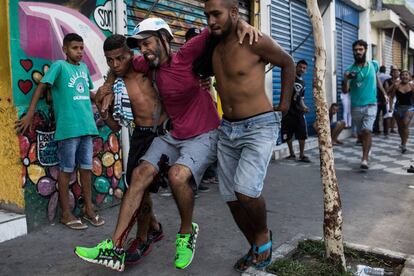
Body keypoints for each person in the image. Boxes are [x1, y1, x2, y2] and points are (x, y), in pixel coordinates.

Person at [74, 17, 259, 271]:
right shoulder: (146, 63)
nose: (144, 51)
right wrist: (106, 85)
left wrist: (243, 25)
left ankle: (186, 232)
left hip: (204, 133)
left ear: (164, 38)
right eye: (140, 46)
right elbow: (120, 66)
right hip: (173, 134)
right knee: (139, 176)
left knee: (177, 176)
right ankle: (114, 247)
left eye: (147, 43)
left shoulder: (186, 54)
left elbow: (219, 25)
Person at [205, 0, 295, 271]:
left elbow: (287, 62)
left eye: (216, 14)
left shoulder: (254, 40)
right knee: (231, 198)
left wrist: (285, 104)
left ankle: (264, 237)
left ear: (233, 12)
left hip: (259, 126)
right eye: (207, 15)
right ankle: (255, 245)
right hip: (227, 129)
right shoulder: (212, 45)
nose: (211, 21)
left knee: (245, 191)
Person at [16, 33, 104, 230]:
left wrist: (99, 98)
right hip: (69, 128)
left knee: (86, 170)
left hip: (87, 127)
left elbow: (84, 92)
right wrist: (30, 114)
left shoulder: (83, 68)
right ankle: (65, 214)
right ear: (65, 49)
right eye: (75, 48)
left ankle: (89, 210)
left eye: (81, 48)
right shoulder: (59, 66)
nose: (79, 52)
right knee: (66, 170)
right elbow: (41, 87)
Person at [95, 34, 167, 264]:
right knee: (138, 189)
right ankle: (148, 232)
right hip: (141, 136)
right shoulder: (116, 83)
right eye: (110, 60)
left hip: (166, 132)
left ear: (131, 53)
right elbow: (116, 126)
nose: (115, 64)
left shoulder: (147, 67)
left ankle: (147, 233)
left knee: (148, 187)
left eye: (120, 58)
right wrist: (102, 110)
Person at [343, 39, 388, 170]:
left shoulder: (373, 65)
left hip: (371, 104)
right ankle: (367, 148)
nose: (358, 52)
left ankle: (364, 159)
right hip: (356, 106)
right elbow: (345, 91)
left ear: (365, 50)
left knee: (367, 130)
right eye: (356, 50)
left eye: (360, 49)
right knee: (362, 134)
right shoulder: (349, 70)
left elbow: (377, 78)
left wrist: (384, 92)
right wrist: (346, 79)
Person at [281, 59, 310, 162]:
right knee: (287, 133)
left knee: (302, 133)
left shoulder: (303, 82)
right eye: (300, 67)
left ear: (306, 70)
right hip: (288, 111)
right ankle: (291, 153)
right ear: (296, 67)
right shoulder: (290, 77)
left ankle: (302, 155)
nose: (302, 69)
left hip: (298, 112)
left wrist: (304, 107)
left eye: (304, 68)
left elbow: (301, 98)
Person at [389, 70, 414, 153]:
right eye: (402, 75)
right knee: (400, 128)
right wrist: (390, 107)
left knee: (405, 124)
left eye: (406, 75)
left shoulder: (412, 86)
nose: (404, 76)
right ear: (400, 77)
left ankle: (404, 144)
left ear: (409, 77)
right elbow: (391, 97)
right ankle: (403, 142)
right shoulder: (397, 86)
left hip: (409, 107)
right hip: (398, 108)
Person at [384, 66, 401, 135]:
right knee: (389, 114)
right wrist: (394, 84)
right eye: (395, 72)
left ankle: (392, 129)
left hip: (396, 99)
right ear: (392, 73)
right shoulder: (387, 81)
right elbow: (387, 90)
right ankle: (387, 130)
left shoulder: (400, 81)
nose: (397, 73)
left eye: (398, 72)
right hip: (388, 98)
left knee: (394, 114)